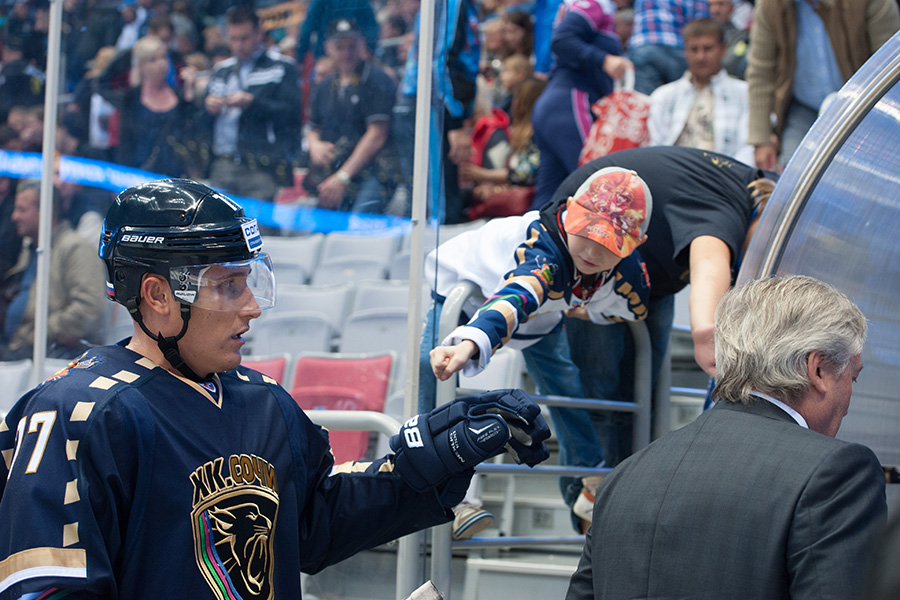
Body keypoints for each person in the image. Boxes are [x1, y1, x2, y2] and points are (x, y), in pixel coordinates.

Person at [0, 178, 551, 599]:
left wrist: (431, 461)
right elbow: (45, 587)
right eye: (228, 286)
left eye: (251, 281)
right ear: (158, 295)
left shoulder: (262, 400)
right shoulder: (78, 411)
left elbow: (311, 523)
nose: (252, 306)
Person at [565, 275, 887, 600]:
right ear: (817, 370)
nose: (848, 402)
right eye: (852, 378)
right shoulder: (836, 475)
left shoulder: (626, 476)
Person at [552, 146, 776, 527]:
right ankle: (594, 510)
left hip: (650, 273)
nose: (762, 262)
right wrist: (706, 334)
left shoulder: (757, 190)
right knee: (601, 391)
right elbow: (709, 262)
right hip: (590, 250)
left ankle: (630, 511)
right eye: (765, 247)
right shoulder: (724, 209)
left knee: (645, 395)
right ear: (765, 221)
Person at [421, 167, 651, 536]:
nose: (592, 250)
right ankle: (443, 493)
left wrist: (585, 308)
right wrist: (469, 343)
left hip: (537, 315)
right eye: (586, 232)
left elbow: (633, 309)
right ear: (570, 210)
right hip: (465, 294)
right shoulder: (545, 247)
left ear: (635, 244)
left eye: (608, 243)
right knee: (431, 374)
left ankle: (591, 480)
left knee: (565, 384)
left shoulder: (629, 274)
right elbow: (519, 294)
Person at [746, 0, 900, 170]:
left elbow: (892, 67)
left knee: (867, 170)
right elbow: (760, 73)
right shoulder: (770, 5)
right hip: (804, 109)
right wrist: (761, 139)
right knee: (792, 172)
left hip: (864, 107)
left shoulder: (871, 2)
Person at [530, 0, 631, 209]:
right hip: (570, 102)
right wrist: (605, 60)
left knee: (549, 197)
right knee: (596, 185)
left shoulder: (589, 7)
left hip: (555, 103)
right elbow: (562, 39)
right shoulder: (595, 4)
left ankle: (531, 232)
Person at [199, 6, 302, 202]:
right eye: (233, 38)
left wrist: (253, 103)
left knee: (259, 221)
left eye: (244, 38)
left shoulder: (281, 67)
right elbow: (200, 121)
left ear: (258, 34)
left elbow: (291, 114)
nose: (238, 45)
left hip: (261, 166)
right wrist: (208, 108)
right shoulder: (221, 70)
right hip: (222, 163)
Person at [0, 180, 106, 360]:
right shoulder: (31, 249)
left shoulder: (75, 248)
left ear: (46, 211)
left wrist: (38, 332)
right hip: (17, 351)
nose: (14, 217)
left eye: (22, 210)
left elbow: (89, 309)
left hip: (47, 357)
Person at [305, 18, 399, 213]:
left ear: (362, 44)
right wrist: (314, 145)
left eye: (352, 46)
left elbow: (377, 134)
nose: (346, 53)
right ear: (328, 48)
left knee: (358, 223)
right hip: (334, 170)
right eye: (340, 47)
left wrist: (343, 177)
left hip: (373, 172)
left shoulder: (377, 78)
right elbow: (313, 128)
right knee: (322, 223)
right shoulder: (325, 85)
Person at [647, 18, 753, 164]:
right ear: (685, 50)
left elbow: (748, 148)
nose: (700, 57)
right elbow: (654, 146)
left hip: (726, 172)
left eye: (708, 48)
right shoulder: (663, 96)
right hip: (673, 171)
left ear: (723, 49)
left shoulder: (745, 94)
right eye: (694, 49)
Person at [97, 35, 197, 178]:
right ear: (141, 65)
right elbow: (100, 83)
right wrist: (131, 51)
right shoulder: (130, 98)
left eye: (164, 57)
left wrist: (189, 94)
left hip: (176, 177)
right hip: (139, 176)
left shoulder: (180, 97)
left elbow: (192, 133)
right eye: (152, 60)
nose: (161, 64)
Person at [626, 0, 709, 95]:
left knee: (646, 99)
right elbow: (703, 24)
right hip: (678, 46)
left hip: (644, 44)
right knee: (680, 98)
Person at [708, 0, 749, 79]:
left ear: (731, 8)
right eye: (711, 5)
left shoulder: (741, 36)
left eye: (720, 4)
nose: (715, 10)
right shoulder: (699, 34)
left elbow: (731, 63)